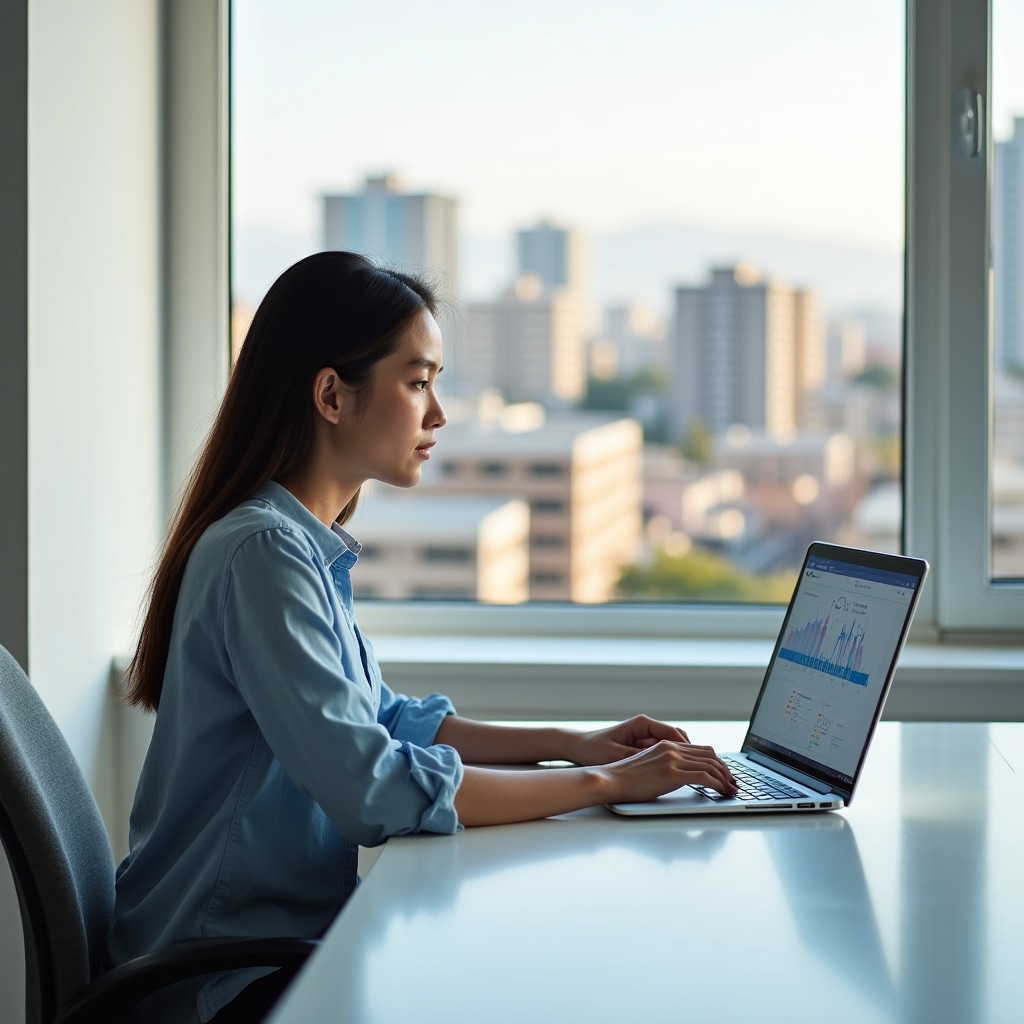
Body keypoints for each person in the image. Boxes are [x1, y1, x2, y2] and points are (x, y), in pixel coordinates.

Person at [106, 251, 738, 1023]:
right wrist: (606, 786)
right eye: (417, 382)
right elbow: (371, 789)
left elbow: (388, 720)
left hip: (272, 952)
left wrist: (575, 745)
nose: (437, 414)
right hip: (219, 980)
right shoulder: (264, 553)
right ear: (331, 395)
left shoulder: (299, 544)